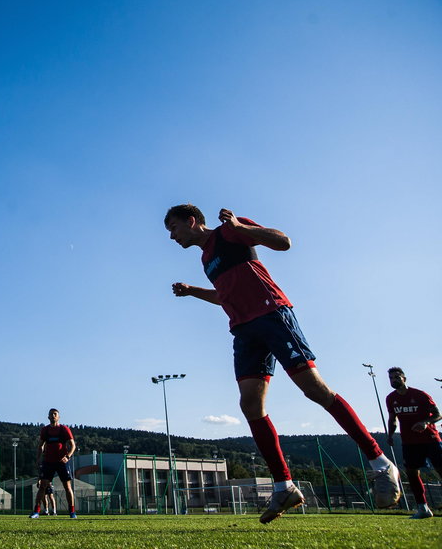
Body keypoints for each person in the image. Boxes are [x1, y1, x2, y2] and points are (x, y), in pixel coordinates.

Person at [164, 205, 400, 523]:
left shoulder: (230, 230)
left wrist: (241, 226)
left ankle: (380, 462)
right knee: (250, 404)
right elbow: (225, 295)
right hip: (244, 331)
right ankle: (284, 487)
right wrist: (194, 292)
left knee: (314, 390)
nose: (172, 236)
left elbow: (282, 241)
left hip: (271, 315)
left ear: (192, 221)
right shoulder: (206, 259)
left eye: (174, 228)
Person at [386, 367, 442, 519]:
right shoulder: (391, 398)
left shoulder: (420, 395)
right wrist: (390, 435)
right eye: (391, 378)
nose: (394, 380)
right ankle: (423, 508)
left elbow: (438, 414)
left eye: (397, 377)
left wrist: (425, 422)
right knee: (411, 473)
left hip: (430, 439)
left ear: (404, 378)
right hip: (409, 442)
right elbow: (393, 419)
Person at [29, 408, 77, 519]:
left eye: (55, 414)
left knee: (67, 486)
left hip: (62, 462)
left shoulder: (64, 429)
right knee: (42, 486)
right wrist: (38, 458)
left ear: (58, 417)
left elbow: (73, 445)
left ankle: (72, 512)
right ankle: (36, 512)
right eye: (51, 414)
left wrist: (67, 456)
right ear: (48, 417)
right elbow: (40, 445)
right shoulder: (45, 430)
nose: (53, 416)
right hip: (48, 462)